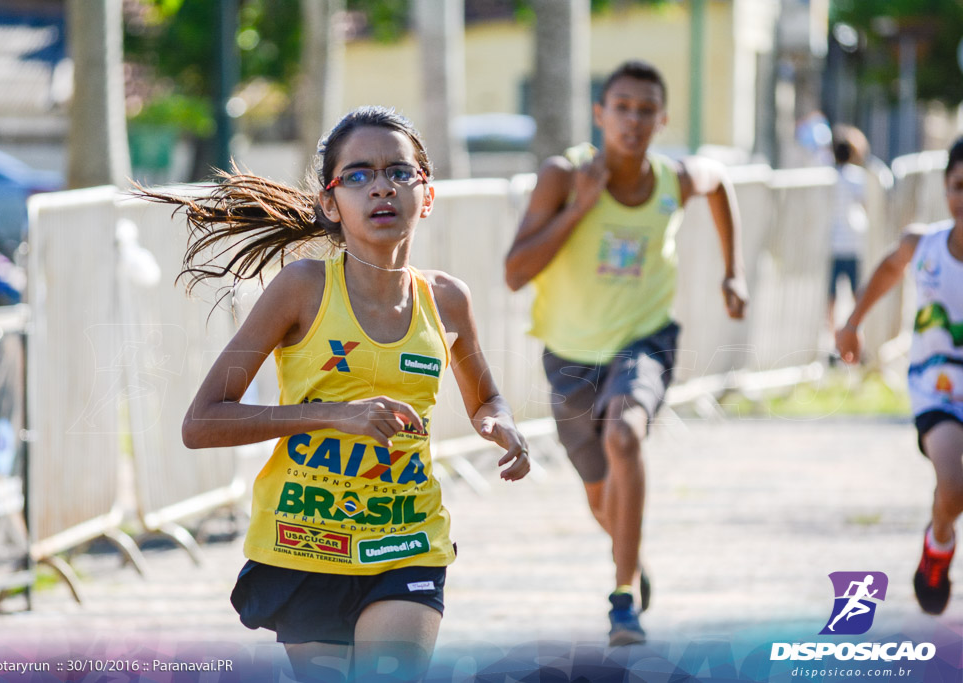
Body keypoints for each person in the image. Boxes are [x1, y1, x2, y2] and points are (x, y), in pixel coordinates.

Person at [139, 106, 530, 682]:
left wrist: (501, 425)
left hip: (407, 541)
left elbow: (486, 399)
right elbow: (201, 424)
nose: (381, 187)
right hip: (305, 543)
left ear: (426, 195)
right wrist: (330, 416)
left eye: (400, 173)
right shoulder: (302, 289)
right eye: (358, 175)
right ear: (330, 204)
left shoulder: (446, 300)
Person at [504, 59, 748, 646]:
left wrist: (733, 272)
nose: (632, 121)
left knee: (625, 434)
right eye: (621, 107)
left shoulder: (676, 180)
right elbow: (515, 273)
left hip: (645, 340)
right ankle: (630, 560)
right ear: (600, 114)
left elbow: (720, 183)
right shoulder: (562, 176)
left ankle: (621, 600)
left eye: (645, 110)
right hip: (568, 356)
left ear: (662, 120)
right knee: (599, 496)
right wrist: (581, 208)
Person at [836, 136, 963, 617]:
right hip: (940, 392)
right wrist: (852, 324)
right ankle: (939, 545)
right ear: (946, 188)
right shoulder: (923, 245)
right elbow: (888, 272)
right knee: (952, 484)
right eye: (958, 186)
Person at [826, 126, 870, 337]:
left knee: (831, 297)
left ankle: (833, 335)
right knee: (856, 294)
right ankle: (855, 333)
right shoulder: (857, 177)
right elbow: (865, 205)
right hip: (852, 243)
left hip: (833, 243)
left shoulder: (828, 177)